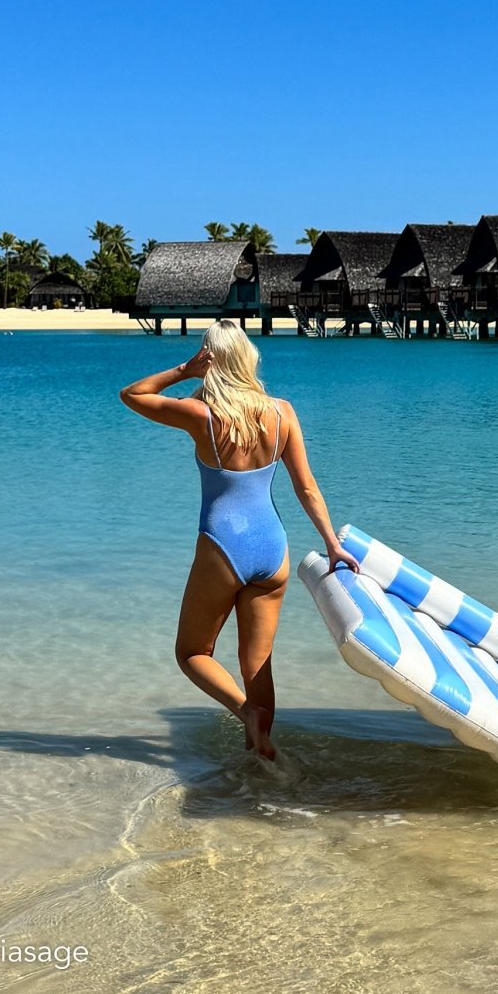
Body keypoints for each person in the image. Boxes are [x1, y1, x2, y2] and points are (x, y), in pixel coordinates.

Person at [118, 319, 359, 758]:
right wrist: (332, 543)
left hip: (223, 546)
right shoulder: (282, 412)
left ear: (210, 361)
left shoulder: (202, 416)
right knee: (257, 665)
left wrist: (184, 370)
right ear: (248, 358)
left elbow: (132, 395)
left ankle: (246, 712)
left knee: (192, 653)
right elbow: (307, 488)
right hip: (272, 547)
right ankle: (262, 757)